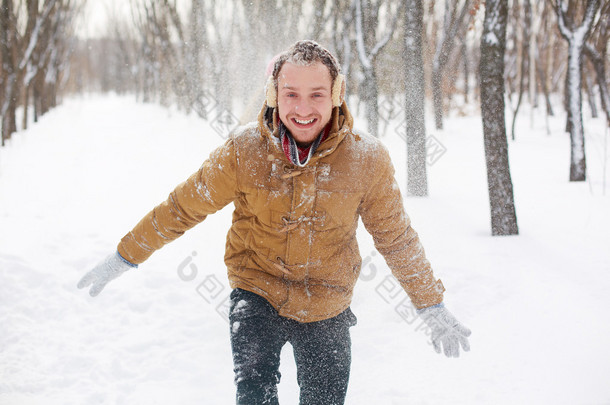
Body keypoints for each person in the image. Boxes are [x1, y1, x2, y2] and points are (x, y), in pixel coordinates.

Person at [78, 40, 471, 405]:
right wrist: (125, 256)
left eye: (317, 94)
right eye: (291, 94)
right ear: (273, 95)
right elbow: (183, 207)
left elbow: (396, 238)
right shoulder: (244, 151)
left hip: (327, 300)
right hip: (256, 289)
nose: (303, 108)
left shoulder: (366, 160)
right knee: (255, 396)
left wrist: (429, 303)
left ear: (335, 95)